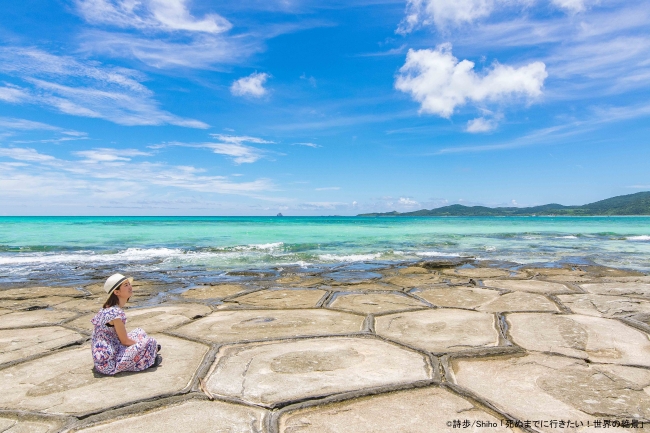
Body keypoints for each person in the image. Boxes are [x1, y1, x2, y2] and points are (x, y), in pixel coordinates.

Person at [91, 273, 162, 375]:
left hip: (105, 355)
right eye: (125, 285)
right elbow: (124, 341)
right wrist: (141, 347)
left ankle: (149, 352)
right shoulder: (115, 313)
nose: (130, 287)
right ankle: (149, 356)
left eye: (129, 284)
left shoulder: (108, 307)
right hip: (109, 363)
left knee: (139, 332)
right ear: (116, 292)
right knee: (150, 342)